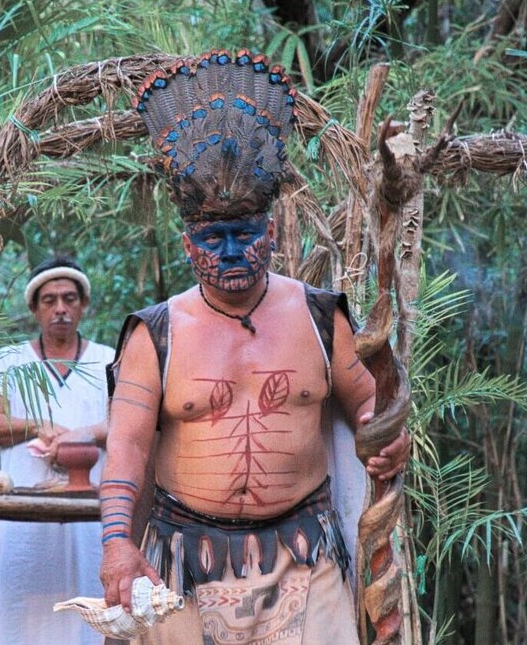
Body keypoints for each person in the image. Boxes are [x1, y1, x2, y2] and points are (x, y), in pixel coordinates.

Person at [97, 49, 411, 644]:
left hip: (306, 558)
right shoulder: (154, 333)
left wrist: (386, 438)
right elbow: (127, 451)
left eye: (244, 233)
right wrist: (117, 544)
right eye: (213, 237)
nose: (231, 251)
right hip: (182, 565)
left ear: (269, 231)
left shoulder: (320, 317)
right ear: (188, 245)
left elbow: (368, 406)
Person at [0, 256, 115, 645]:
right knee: (26, 610)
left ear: (83, 305)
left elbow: (126, 425)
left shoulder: (108, 360)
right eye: (49, 300)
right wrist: (38, 426)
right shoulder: (9, 361)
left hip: (92, 513)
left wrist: (79, 436)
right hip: (24, 514)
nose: (60, 309)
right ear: (34, 309)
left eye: (69, 299)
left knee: (91, 608)